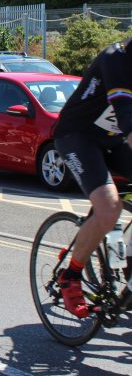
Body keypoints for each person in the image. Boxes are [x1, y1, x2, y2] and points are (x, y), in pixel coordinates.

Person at [52, 38, 132, 318]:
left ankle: (127, 267)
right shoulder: (117, 59)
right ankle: (70, 275)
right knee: (109, 206)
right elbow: (126, 115)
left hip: (113, 139)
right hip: (77, 136)